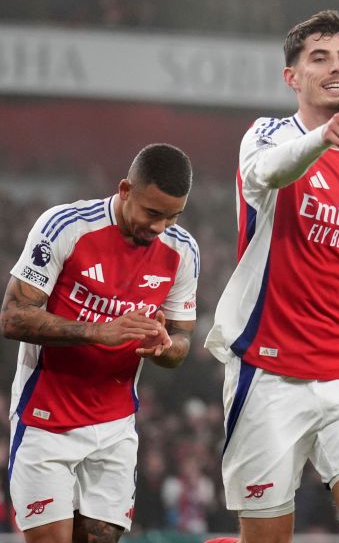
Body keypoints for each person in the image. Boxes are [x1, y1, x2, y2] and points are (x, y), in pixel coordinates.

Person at [204, 9, 339, 543]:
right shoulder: (265, 136)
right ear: (292, 76)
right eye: (319, 58)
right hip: (267, 373)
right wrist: (322, 141)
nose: (336, 68)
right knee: (268, 538)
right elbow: (268, 172)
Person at [0, 143, 199, 543]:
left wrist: (166, 347)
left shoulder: (183, 250)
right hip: (46, 421)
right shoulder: (66, 227)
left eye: (173, 215)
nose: (161, 226)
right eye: (152, 213)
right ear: (125, 189)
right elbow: (12, 316)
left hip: (114, 427)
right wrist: (98, 331)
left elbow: (182, 338)